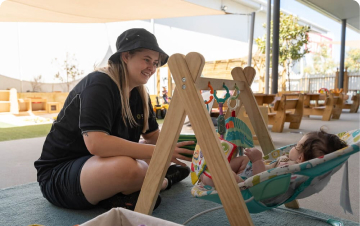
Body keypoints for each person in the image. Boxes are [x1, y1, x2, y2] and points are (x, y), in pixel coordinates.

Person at [34, 28, 194, 211]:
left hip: (97, 166)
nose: (152, 67)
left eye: (156, 63)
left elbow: (153, 137)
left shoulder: (140, 93)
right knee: (130, 166)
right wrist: (160, 153)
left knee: (146, 153)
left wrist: (192, 148)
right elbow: (97, 144)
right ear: (125, 56)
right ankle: (163, 181)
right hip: (60, 176)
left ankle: (124, 194)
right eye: (147, 59)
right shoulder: (99, 84)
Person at [200, 129, 347, 187]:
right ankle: (219, 168)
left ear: (301, 158)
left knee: (228, 176)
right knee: (243, 161)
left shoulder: (288, 170)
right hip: (250, 170)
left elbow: (260, 181)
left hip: (247, 183)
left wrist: (257, 161)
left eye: (296, 146)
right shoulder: (293, 165)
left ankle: (213, 173)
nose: (292, 148)